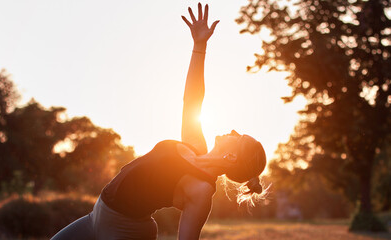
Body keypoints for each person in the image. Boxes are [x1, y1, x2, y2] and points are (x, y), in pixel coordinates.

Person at [51, 3, 266, 240]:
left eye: (239, 137)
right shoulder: (195, 145)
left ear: (233, 157)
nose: (234, 131)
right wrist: (199, 45)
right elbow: (192, 99)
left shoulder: (201, 190)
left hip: (124, 232)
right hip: (94, 219)